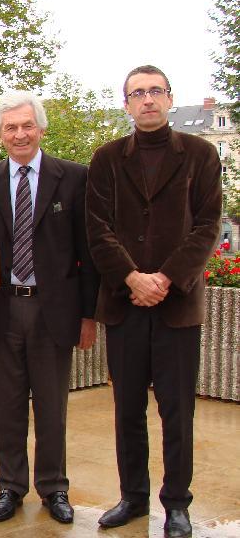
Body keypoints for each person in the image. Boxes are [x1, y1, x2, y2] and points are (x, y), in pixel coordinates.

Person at [86, 65, 222, 538]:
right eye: (137, 93)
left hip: (177, 306)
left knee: (177, 410)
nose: (147, 100)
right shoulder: (105, 159)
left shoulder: (201, 155)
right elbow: (97, 228)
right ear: (126, 104)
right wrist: (130, 277)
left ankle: (177, 503)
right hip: (125, 306)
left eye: (155, 91)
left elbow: (208, 225)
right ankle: (133, 497)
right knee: (127, 409)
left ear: (169, 98)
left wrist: (164, 278)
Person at [0, 91, 99, 524]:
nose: (20, 134)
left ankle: (53, 487)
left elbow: (88, 253)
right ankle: (10, 486)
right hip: (2, 309)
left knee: (52, 407)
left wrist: (88, 315)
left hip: (54, 313)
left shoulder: (74, 178)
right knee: (6, 407)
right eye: (10, 127)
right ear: (0, 134)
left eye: (27, 125)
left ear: (41, 129)